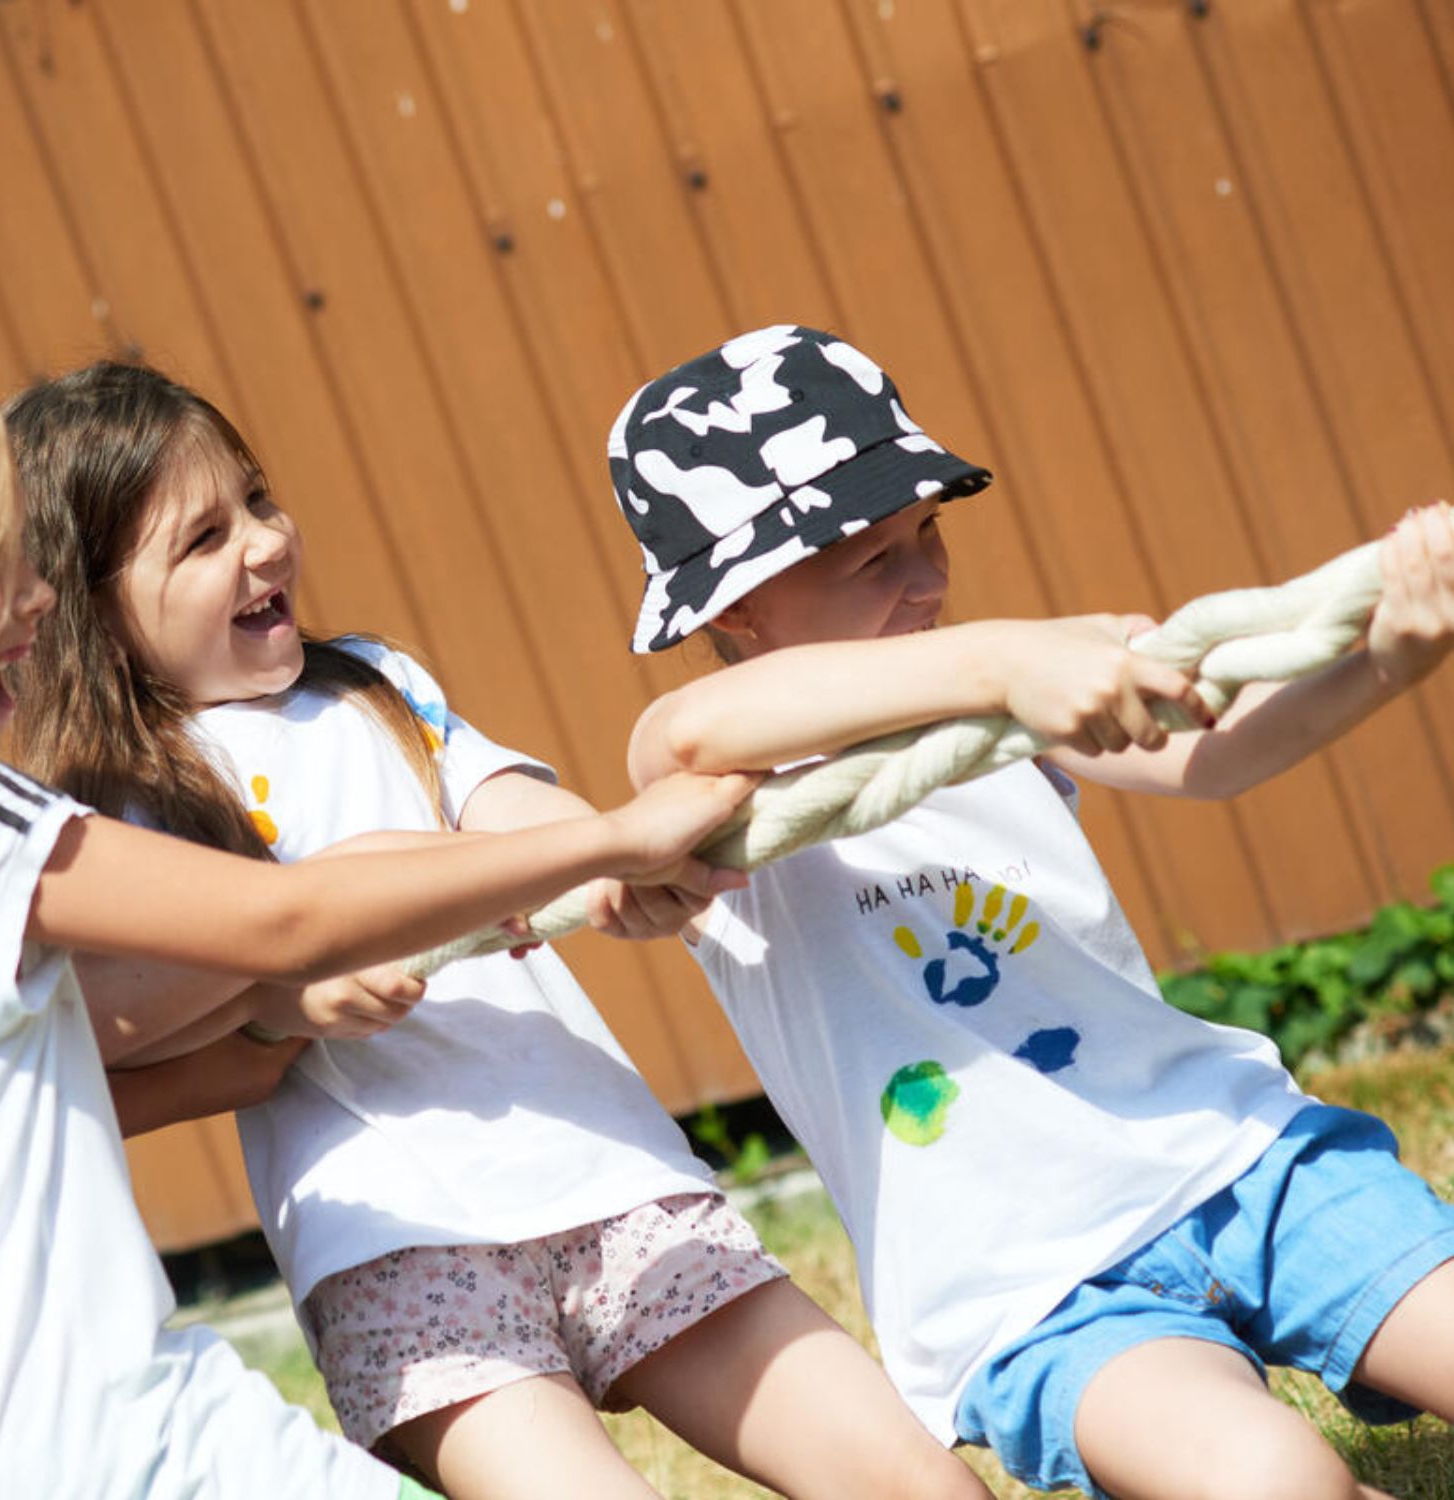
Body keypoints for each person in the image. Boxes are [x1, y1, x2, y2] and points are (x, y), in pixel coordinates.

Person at [0, 327, 748, 1499]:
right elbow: (287, 918)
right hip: (147, 1461)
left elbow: (66, 1073)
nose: (32, 599)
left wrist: (271, 1025)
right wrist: (606, 839)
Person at [5, 360, 992, 1500]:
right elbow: (126, 1016)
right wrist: (271, 994)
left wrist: (621, 862)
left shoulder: (372, 684)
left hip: (608, 1169)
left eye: (258, 500)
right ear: (91, 605)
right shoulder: (109, 806)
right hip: (394, 1244)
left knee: (914, 1484)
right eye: (202, 537)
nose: (265, 544)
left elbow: (516, 819)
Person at [610, 322, 1454, 1500]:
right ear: (732, 611)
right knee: (1274, 1482)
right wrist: (1010, 662)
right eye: (870, 561)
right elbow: (686, 730)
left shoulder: (1015, 690)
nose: (929, 581)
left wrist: (1386, 657)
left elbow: (1212, 755)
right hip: (1036, 1295)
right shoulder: (704, 791)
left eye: (929, 533)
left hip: (1239, 1157)